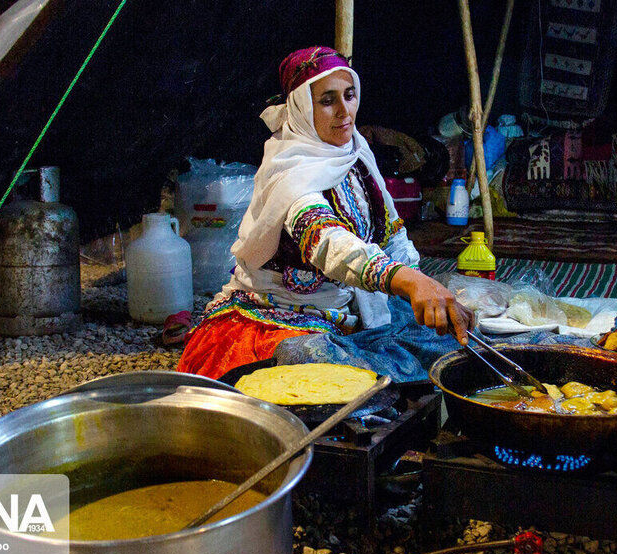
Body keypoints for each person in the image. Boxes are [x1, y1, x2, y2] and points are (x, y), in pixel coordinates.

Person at [177, 46, 473, 378]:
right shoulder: (291, 172)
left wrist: (423, 285)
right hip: (280, 318)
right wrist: (406, 280)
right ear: (302, 109)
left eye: (349, 95)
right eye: (327, 101)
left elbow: (391, 234)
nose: (344, 111)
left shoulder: (356, 155)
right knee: (302, 359)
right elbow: (327, 241)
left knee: (455, 340)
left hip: (347, 312)